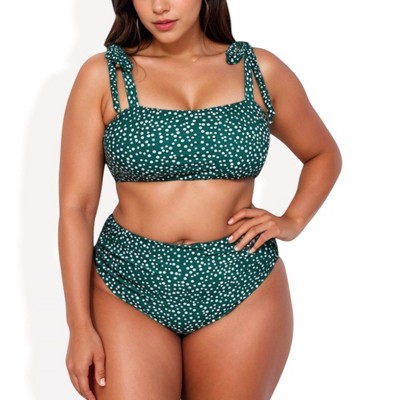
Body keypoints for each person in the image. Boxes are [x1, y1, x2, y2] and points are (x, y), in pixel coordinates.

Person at [58, 0, 342, 399]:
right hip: (127, 284)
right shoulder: (104, 76)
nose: (159, 7)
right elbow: (77, 208)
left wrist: (292, 220)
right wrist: (78, 326)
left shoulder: (259, 71)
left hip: (241, 280)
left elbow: (323, 154)